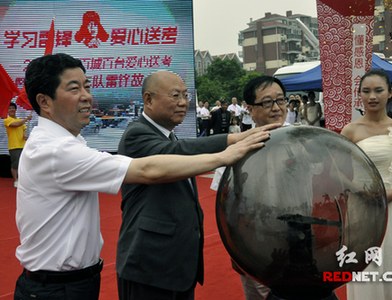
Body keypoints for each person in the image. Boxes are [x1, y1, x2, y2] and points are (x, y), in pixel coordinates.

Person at [14, 53, 272, 300]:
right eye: (74, 89)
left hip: (77, 282)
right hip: (62, 287)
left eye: (87, 86)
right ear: (44, 101)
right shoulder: (56, 150)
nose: (87, 97)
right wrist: (224, 154)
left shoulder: (64, 144)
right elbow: (148, 169)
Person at [115, 70, 279, 300]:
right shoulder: (137, 134)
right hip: (149, 267)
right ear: (149, 99)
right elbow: (176, 153)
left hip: (177, 268)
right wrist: (231, 141)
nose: (183, 103)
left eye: (185, 95)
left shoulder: (167, 135)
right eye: (175, 96)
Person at [341, 69, 392, 300]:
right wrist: (360, 190)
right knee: (366, 265)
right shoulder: (350, 130)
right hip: (362, 206)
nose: (372, 96)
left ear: (390, 94)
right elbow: (336, 171)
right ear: (360, 96)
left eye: (378, 90)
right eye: (366, 91)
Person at [210, 75, 289, 300]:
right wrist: (236, 251)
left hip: (296, 238)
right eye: (267, 102)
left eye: (280, 100)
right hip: (256, 241)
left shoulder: (303, 140)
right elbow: (225, 205)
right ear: (250, 110)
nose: (276, 108)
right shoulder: (237, 148)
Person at [3, 102, 32, 187]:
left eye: (13, 108)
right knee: (15, 164)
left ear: (16, 109)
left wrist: (24, 135)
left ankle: (23, 180)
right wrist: (26, 119)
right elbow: (16, 124)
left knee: (24, 164)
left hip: (23, 145)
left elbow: (24, 128)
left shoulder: (20, 120)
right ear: (7, 111)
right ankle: (16, 180)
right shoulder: (7, 120)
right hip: (14, 145)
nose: (12, 110)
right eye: (10, 108)